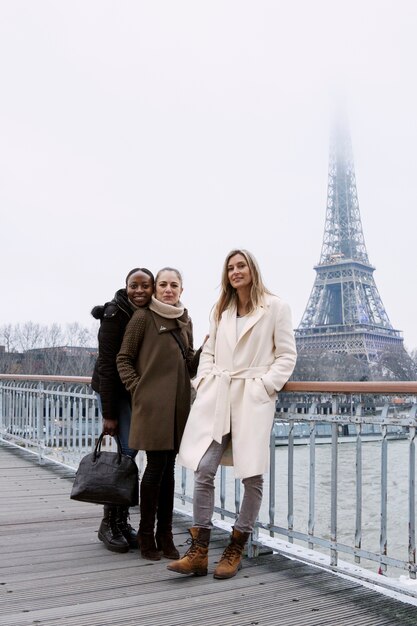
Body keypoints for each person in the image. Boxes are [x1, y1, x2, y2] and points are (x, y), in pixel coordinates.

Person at [167, 249, 297, 579]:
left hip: (251, 396)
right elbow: (208, 352)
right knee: (204, 467)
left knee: (251, 474)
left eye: (241, 266)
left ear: (253, 268)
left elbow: (286, 355)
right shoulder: (221, 309)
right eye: (230, 267)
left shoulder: (276, 307)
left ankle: (236, 544)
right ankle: (199, 550)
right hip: (219, 394)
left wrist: (264, 386)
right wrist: (206, 381)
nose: (235, 271)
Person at [116, 267, 204, 561]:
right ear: (156, 289)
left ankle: (164, 534)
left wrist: (206, 349)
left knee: (168, 471)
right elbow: (123, 359)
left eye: (174, 285)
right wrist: (139, 390)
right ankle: (145, 534)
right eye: (163, 284)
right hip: (151, 406)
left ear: (182, 290)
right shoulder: (143, 318)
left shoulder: (185, 321)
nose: (168, 289)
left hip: (179, 405)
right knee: (155, 468)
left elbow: (188, 367)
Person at [91, 267, 155, 553]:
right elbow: (106, 366)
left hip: (133, 393)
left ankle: (120, 520)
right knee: (126, 454)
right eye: (134, 286)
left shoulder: (149, 313)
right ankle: (109, 523)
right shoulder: (114, 314)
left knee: (129, 455)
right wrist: (109, 414)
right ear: (126, 287)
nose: (139, 291)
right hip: (114, 395)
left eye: (145, 286)